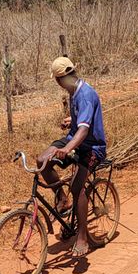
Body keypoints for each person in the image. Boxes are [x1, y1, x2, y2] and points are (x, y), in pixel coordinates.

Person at [37, 57, 107, 258]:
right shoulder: (74, 91)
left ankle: (83, 236)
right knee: (43, 161)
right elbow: (81, 121)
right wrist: (72, 120)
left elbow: (84, 131)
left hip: (92, 147)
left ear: (61, 79)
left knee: (78, 186)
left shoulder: (85, 94)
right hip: (73, 140)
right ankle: (62, 198)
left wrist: (67, 148)